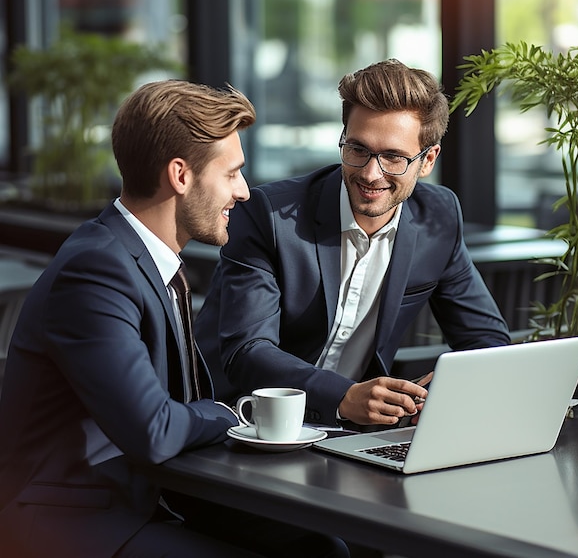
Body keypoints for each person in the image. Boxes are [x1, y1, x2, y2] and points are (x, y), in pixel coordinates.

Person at [0, 80, 348, 558]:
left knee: (323, 548)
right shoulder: (96, 270)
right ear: (181, 176)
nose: (244, 192)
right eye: (231, 175)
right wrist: (229, 415)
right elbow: (155, 430)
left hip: (150, 494)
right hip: (74, 518)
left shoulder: (146, 262)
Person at [194, 59, 511, 430]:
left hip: (353, 433)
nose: (370, 173)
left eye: (393, 157)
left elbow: (486, 341)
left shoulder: (438, 217)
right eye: (358, 149)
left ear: (428, 160)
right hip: (241, 423)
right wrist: (343, 397)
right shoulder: (270, 216)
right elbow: (248, 352)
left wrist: (450, 386)